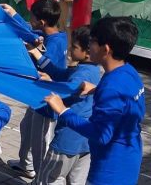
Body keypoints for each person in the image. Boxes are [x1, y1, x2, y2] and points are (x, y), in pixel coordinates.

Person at [44, 17, 145, 185]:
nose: (88, 47)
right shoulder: (129, 72)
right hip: (130, 158)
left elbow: (101, 135)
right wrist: (96, 90)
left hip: (109, 171)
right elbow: (129, 103)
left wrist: (63, 111)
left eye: (91, 42)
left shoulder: (111, 86)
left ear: (105, 49)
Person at [7, 0, 68, 178]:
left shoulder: (55, 43)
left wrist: (34, 52)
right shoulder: (57, 36)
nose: (29, 20)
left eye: (31, 17)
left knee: (40, 141)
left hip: (47, 101)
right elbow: (28, 31)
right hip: (37, 96)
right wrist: (13, 14)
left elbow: (52, 69)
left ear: (41, 22)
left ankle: (42, 177)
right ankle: (25, 164)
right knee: (26, 127)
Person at [32, 26, 101, 185]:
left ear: (88, 51)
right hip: (86, 141)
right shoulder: (91, 69)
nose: (70, 49)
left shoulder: (81, 74)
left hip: (67, 140)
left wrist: (52, 84)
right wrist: (36, 54)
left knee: (49, 179)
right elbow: (60, 74)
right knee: (77, 181)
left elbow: (70, 89)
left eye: (74, 47)